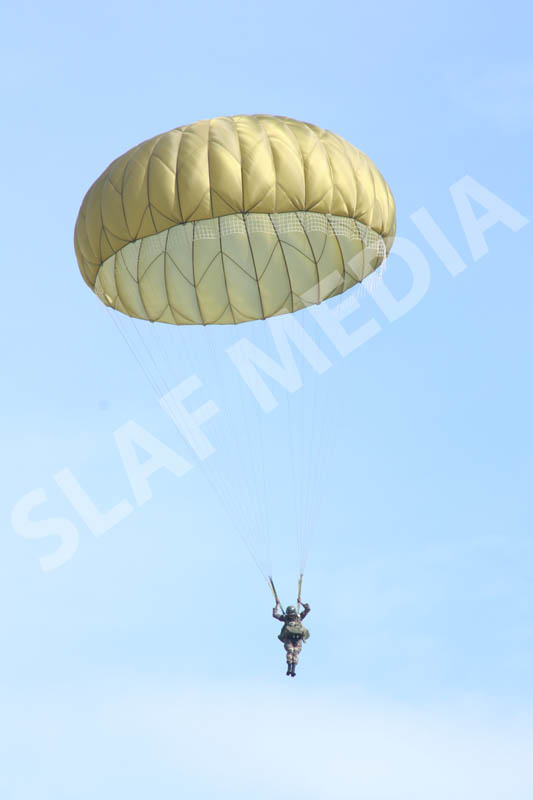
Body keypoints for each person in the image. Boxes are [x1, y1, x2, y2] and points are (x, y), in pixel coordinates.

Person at [273, 601, 310, 677]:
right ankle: (289, 667)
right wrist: (276, 606)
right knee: (290, 651)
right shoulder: (285, 619)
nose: (291, 617)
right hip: (289, 639)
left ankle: (293, 669)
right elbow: (275, 615)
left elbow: (308, 609)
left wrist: (301, 602)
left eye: (292, 615)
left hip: (298, 639)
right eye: (290, 615)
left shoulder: (299, 617)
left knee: (295, 652)